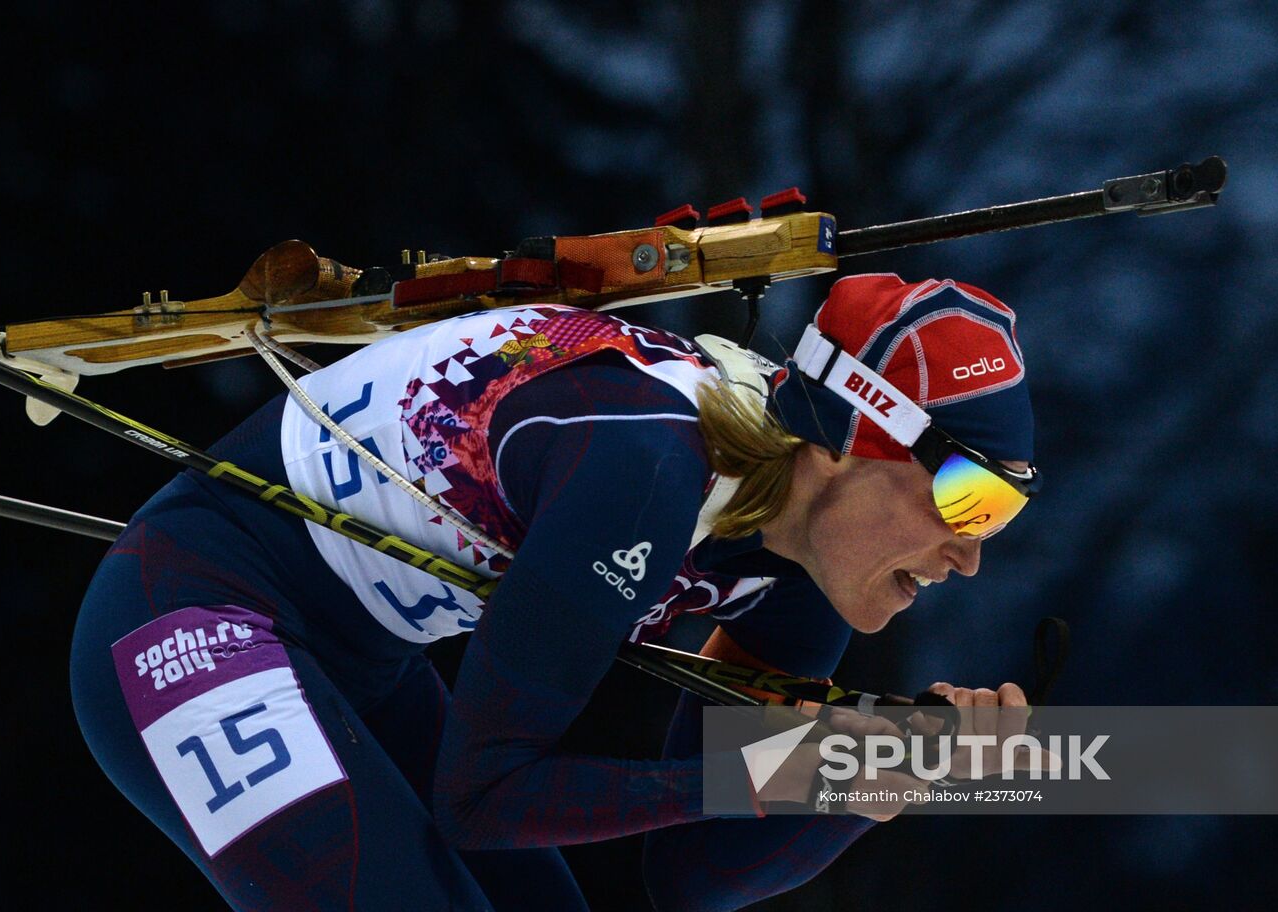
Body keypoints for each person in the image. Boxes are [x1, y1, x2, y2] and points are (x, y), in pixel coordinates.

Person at [69, 271, 1041, 911]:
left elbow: (689, 879)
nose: (970, 555)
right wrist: (775, 770)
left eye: (998, 517)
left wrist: (856, 791)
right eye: (966, 497)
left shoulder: (791, 575)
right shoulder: (644, 464)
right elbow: (485, 800)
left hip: (356, 663)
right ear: (843, 441)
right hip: (188, 610)